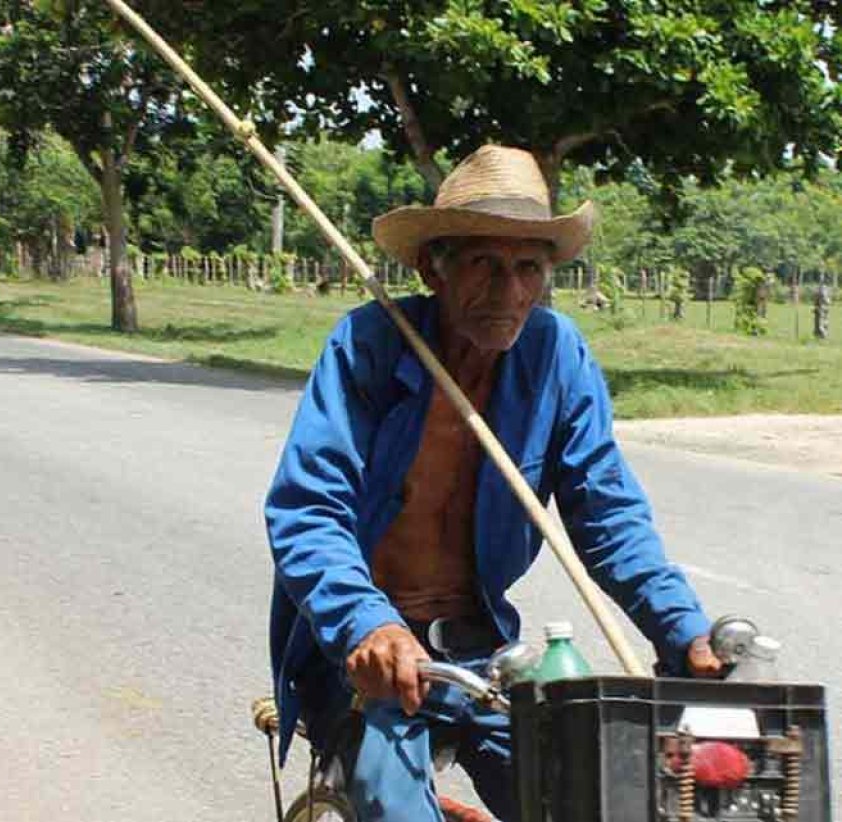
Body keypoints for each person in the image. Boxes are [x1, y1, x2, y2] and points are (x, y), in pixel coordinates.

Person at [264, 145, 721, 822]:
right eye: (484, 264)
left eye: (527, 268)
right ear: (433, 268)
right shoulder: (370, 344)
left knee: (591, 798)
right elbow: (307, 509)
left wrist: (684, 631)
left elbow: (608, 514)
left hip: (486, 655)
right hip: (370, 656)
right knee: (395, 807)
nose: (508, 293)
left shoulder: (556, 355)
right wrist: (369, 623)